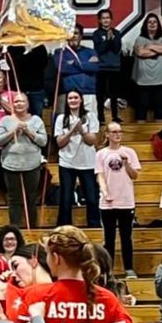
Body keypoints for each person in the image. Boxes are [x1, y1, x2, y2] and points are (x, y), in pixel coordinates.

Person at [95, 123, 142, 278]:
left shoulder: (129, 152)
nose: (117, 135)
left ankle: (129, 269)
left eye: (119, 132)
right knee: (109, 238)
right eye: (114, 132)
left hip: (126, 200)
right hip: (107, 202)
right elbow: (100, 175)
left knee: (126, 236)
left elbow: (134, 175)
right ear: (107, 134)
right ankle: (108, 270)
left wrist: (127, 163)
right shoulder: (101, 154)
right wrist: (105, 192)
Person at [0, 92, 47, 228]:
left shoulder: (36, 120)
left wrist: (29, 131)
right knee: (14, 199)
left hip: (32, 165)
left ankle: (32, 228)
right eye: (16, 102)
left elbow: (43, 141)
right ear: (12, 105)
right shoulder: (5, 120)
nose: (19, 104)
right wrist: (13, 132)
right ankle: (15, 229)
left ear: (28, 104)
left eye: (22, 101)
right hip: (11, 165)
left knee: (31, 198)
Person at [53, 90, 100, 228]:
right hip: (67, 163)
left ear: (81, 100)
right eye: (70, 98)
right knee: (66, 198)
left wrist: (81, 130)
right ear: (66, 101)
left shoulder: (90, 116)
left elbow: (92, 141)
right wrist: (70, 132)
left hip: (87, 163)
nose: (73, 100)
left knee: (91, 198)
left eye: (75, 98)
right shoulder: (61, 118)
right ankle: (64, 227)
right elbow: (59, 142)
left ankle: (94, 226)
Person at [49, 23, 101, 120]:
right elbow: (63, 69)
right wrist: (85, 64)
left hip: (88, 93)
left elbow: (94, 68)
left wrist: (74, 63)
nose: (73, 36)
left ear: (81, 36)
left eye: (76, 33)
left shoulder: (91, 52)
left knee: (90, 123)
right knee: (66, 124)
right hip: (67, 94)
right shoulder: (59, 52)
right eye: (70, 33)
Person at [132, 13, 162, 121]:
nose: (152, 24)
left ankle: (161, 136)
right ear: (145, 25)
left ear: (158, 25)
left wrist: (149, 46)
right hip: (143, 82)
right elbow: (140, 52)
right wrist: (158, 50)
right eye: (149, 22)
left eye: (155, 22)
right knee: (141, 110)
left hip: (161, 81)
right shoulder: (139, 39)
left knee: (160, 110)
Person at [93, 9, 125, 121]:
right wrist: (108, 40)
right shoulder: (97, 34)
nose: (106, 20)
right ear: (99, 20)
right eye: (103, 18)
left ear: (111, 20)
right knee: (100, 94)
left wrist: (112, 40)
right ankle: (100, 116)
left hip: (114, 68)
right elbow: (99, 49)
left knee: (114, 94)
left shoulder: (117, 33)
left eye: (108, 18)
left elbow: (117, 49)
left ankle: (115, 116)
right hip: (101, 67)